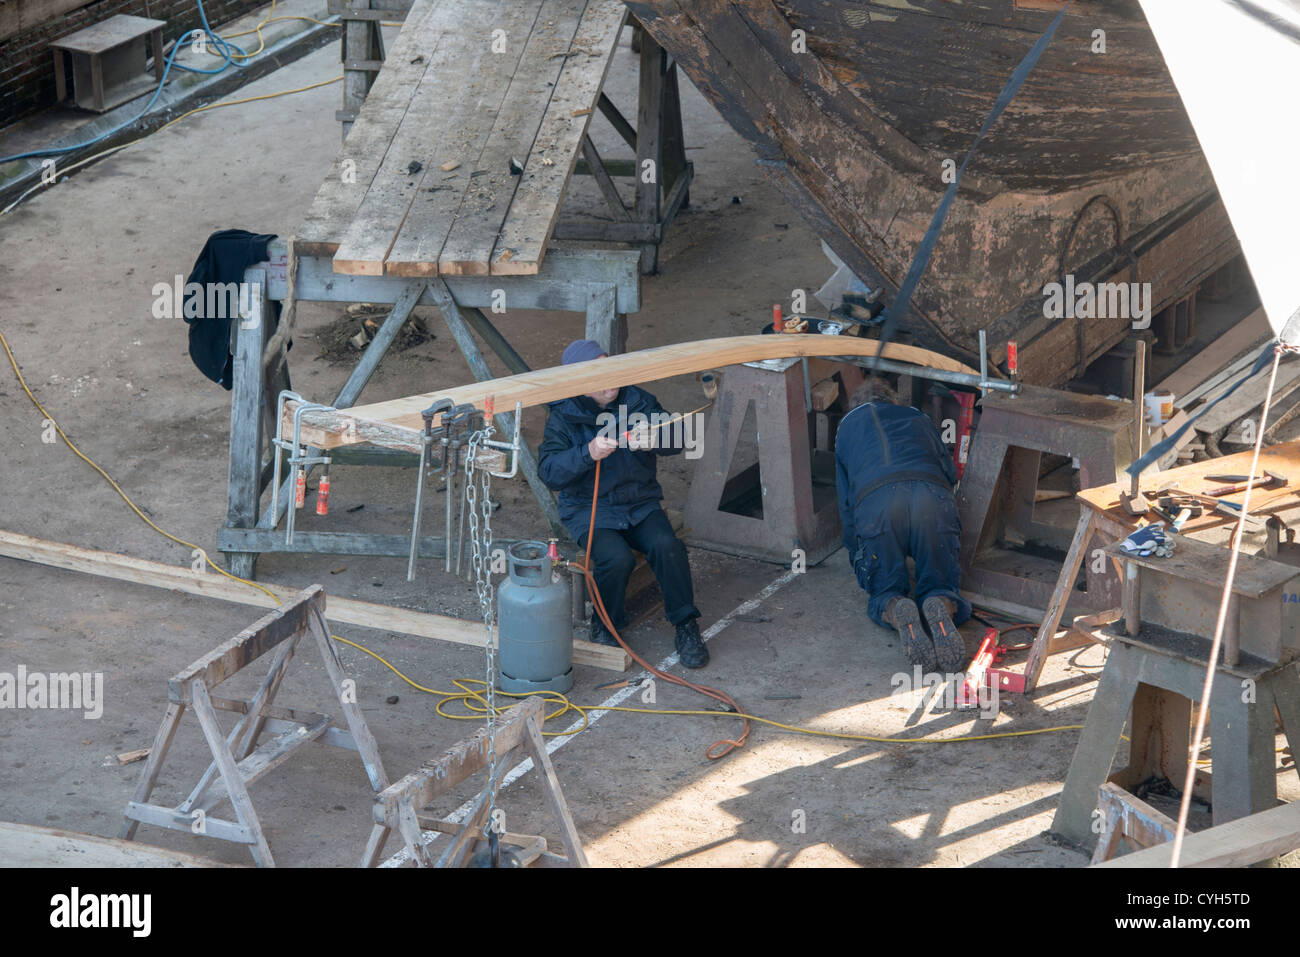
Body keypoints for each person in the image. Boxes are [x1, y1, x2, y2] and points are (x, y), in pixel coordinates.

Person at [537, 339, 709, 668]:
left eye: (611, 371)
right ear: (579, 382)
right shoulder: (562, 417)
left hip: (639, 501)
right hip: (589, 508)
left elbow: (684, 436)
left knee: (667, 546)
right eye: (599, 377)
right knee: (615, 559)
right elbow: (549, 472)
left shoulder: (638, 400)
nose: (611, 382)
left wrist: (658, 438)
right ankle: (606, 624)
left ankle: (686, 625)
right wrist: (586, 453)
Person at [834, 379, 972, 673]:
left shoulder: (846, 429)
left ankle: (897, 608)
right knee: (940, 580)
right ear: (892, 401)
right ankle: (938, 601)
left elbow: (846, 505)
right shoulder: (917, 417)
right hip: (930, 495)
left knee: (882, 589)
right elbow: (949, 473)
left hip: (878, 503)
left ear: (855, 406)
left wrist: (857, 555)